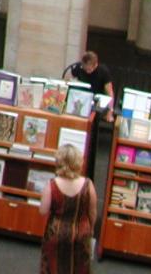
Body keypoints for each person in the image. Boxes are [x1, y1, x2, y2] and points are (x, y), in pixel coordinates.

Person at [38, 144, 96, 273]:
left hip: (56, 234)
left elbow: (43, 211)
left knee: (53, 267)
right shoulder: (88, 184)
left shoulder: (52, 185)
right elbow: (92, 212)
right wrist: (91, 229)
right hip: (81, 233)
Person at [67, 51, 116, 121]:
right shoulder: (79, 67)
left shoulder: (103, 72)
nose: (87, 71)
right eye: (85, 68)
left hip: (95, 101)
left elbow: (110, 93)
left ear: (96, 65)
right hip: (79, 98)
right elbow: (69, 80)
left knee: (91, 116)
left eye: (89, 69)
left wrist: (110, 111)